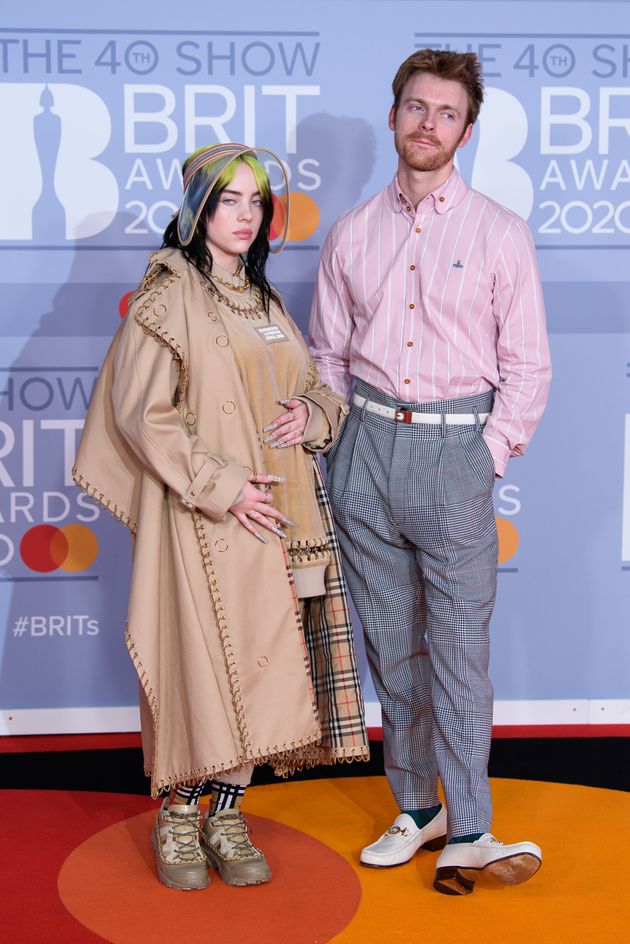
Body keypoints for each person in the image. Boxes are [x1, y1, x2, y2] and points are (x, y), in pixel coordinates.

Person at [74, 142, 369, 892]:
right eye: (228, 199)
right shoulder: (168, 293)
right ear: (198, 207)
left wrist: (315, 412)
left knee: (269, 674)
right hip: (211, 522)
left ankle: (227, 813)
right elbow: (143, 415)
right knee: (203, 672)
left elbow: (315, 390)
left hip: (289, 521)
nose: (245, 215)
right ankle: (178, 815)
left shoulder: (265, 300)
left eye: (256, 201)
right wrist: (223, 484)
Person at [309, 49, 551, 896]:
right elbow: (328, 355)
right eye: (415, 107)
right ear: (393, 116)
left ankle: (473, 826)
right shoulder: (350, 233)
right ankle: (418, 807)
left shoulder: (497, 233)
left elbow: (528, 367)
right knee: (393, 651)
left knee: (457, 652)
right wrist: (340, 448)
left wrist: (480, 459)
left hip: (456, 451)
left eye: (446, 113)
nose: (427, 124)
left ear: (466, 131)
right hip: (365, 452)